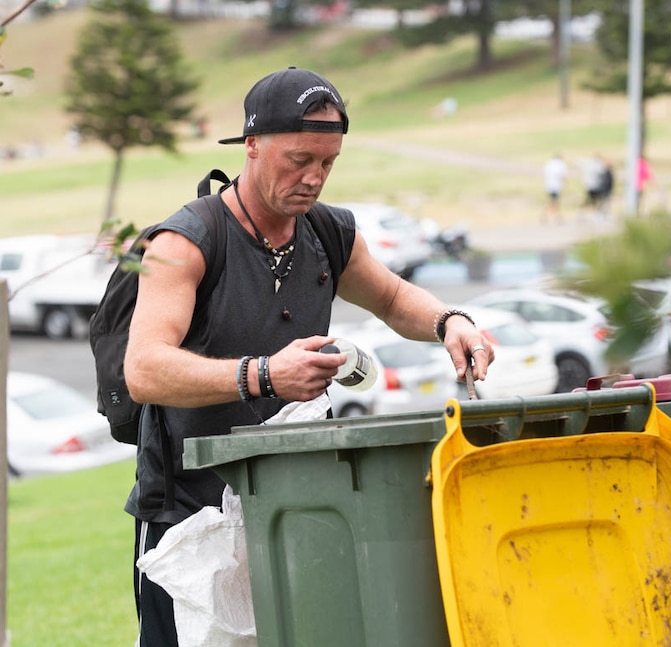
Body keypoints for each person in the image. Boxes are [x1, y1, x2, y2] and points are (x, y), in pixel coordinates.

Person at [123, 67, 495, 647]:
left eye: (327, 162)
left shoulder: (328, 232)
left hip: (296, 503)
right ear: (251, 145)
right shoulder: (186, 240)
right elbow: (144, 369)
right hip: (188, 516)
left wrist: (452, 322)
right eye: (298, 159)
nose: (313, 177)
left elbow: (394, 297)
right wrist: (265, 376)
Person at [542, 152, 568, 223]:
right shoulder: (561, 164)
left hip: (549, 185)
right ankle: (556, 217)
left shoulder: (549, 163)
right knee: (554, 201)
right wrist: (565, 184)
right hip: (556, 185)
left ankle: (556, 216)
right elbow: (563, 175)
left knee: (553, 200)